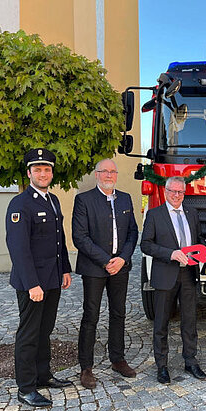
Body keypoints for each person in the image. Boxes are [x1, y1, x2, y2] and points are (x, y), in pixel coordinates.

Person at [5, 148, 73, 407]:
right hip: (32, 283)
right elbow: (18, 248)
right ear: (29, 173)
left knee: (45, 331)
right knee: (29, 334)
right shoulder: (20, 204)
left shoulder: (53, 200)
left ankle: (43, 375)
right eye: (38, 170)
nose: (43, 174)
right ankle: (26, 388)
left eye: (47, 169)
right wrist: (33, 283)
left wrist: (65, 269)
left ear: (52, 173)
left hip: (52, 279)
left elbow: (59, 239)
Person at [72, 159, 139, 389]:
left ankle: (117, 359)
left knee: (118, 313)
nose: (109, 175)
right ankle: (86, 366)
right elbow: (79, 236)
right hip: (94, 268)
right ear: (97, 174)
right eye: (104, 171)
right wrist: (105, 261)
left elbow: (133, 233)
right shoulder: (84, 200)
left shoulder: (126, 199)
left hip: (120, 266)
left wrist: (122, 259)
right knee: (91, 315)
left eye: (113, 171)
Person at [140, 176, 206, 384]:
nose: (176, 195)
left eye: (180, 192)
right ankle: (162, 366)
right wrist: (170, 253)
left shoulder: (192, 213)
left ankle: (191, 361)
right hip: (165, 274)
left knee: (190, 321)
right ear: (166, 191)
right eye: (173, 191)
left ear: (184, 193)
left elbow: (199, 240)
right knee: (161, 323)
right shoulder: (154, 214)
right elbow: (146, 245)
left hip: (188, 274)